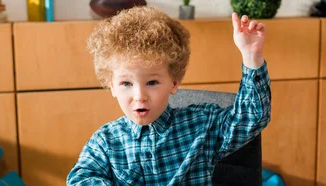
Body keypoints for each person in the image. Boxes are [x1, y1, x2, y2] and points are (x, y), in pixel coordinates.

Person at [67, 5, 271, 185]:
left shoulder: (202, 125)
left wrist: (252, 57)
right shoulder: (105, 141)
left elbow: (251, 118)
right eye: (126, 83)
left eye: (152, 82)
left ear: (174, 82)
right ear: (111, 86)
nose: (139, 95)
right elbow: (81, 177)